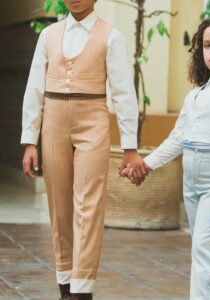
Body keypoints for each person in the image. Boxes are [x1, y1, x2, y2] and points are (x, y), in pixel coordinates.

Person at [122, 14, 210, 300]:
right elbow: (177, 139)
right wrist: (146, 164)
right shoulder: (195, 96)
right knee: (206, 247)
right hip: (192, 182)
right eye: (207, 45)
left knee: (204, 248)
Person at [21, 0, 147, 299]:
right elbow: (34, 87)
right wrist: (29, 140)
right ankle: (65, 281)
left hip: (93, 122)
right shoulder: (48, 35)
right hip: (52, 121)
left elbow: (123, 92)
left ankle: (82, 288)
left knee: (88, 205)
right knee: (59, 205)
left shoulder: (111, 36)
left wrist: (130, 147)